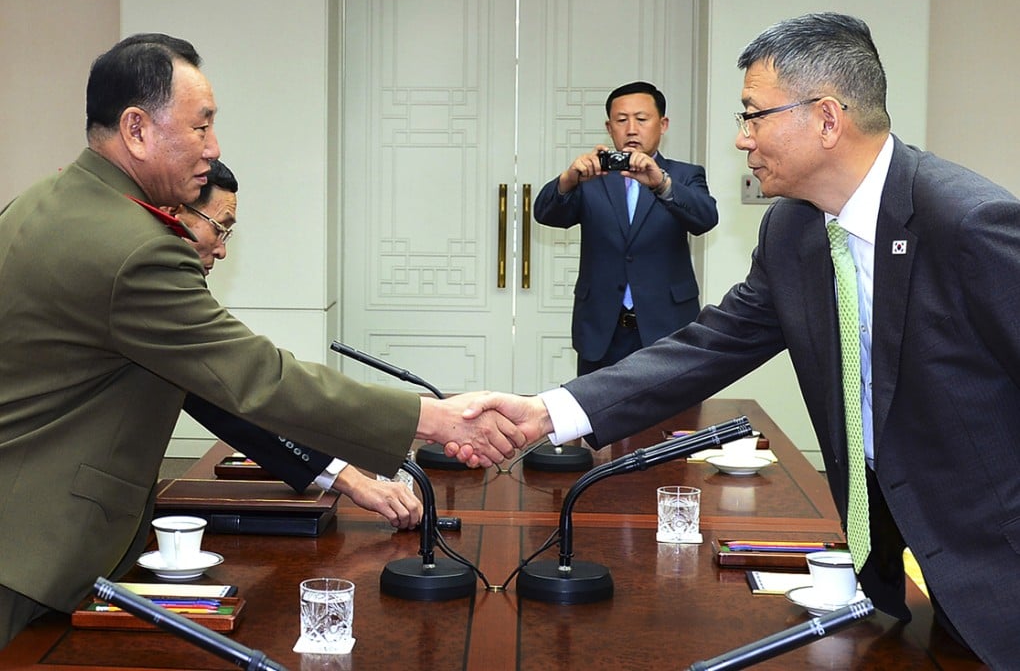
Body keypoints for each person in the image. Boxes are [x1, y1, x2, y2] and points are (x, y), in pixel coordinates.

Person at [458, 13, 1020, 667]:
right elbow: (708, 347)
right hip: (904, 562)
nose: (741, 139)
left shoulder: (968, 222)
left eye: (754, 116)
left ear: (827, 119)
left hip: (998, 562)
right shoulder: (794, 233)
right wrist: (548, 411)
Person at [0, 33, 524, 648]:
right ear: (136, 129)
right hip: (32, 547)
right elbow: (255, 376)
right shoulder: (133, 246)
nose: (213, 148)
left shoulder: (40, 202)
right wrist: (433, 419)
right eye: (200, 128)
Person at [167, 159, 421, 528]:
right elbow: (239, 393)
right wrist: (355, 475)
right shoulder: (148, 278)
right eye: (219, 228)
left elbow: (226, 395)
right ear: (175, 212)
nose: (222, 250)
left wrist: (348, 475)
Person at [534, 81, 718, 375]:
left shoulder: (684, 175)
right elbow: (545, 213)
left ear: (663, 124)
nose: (631, 129)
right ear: (609, 128)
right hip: (601, 329)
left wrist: (662, 184)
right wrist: (568, 178)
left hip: (668, 325)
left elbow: (705, 219)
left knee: (674, 416)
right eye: (621, 120)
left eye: (642, 119)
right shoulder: (590, 177)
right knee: (596, 416)